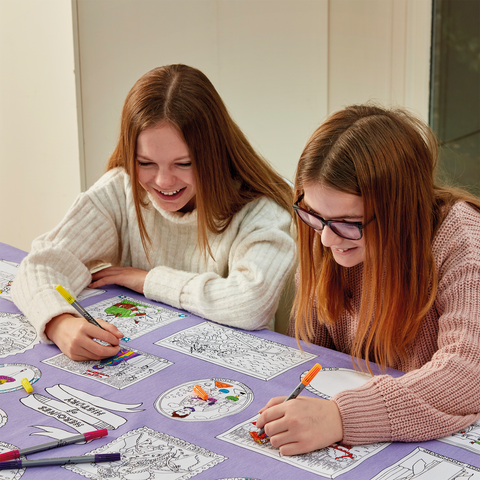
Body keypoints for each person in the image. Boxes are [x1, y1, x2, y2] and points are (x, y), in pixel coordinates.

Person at [12, 64, 296, 362]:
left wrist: (147, 280)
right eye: (145, 163)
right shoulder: (121, 190)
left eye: (183, 164)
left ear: (213, 154)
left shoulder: (259, 208)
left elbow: (250, 304)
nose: (163, 182)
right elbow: (37, 267)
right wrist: (60, 323)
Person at [256, 104, 480, 455]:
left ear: (400, 210)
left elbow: (467, 372)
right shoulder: (327, 232)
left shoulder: (462, 242)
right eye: (314, 214)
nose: (327, 240)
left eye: (349, 222)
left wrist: (340, 417)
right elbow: (314, 356)